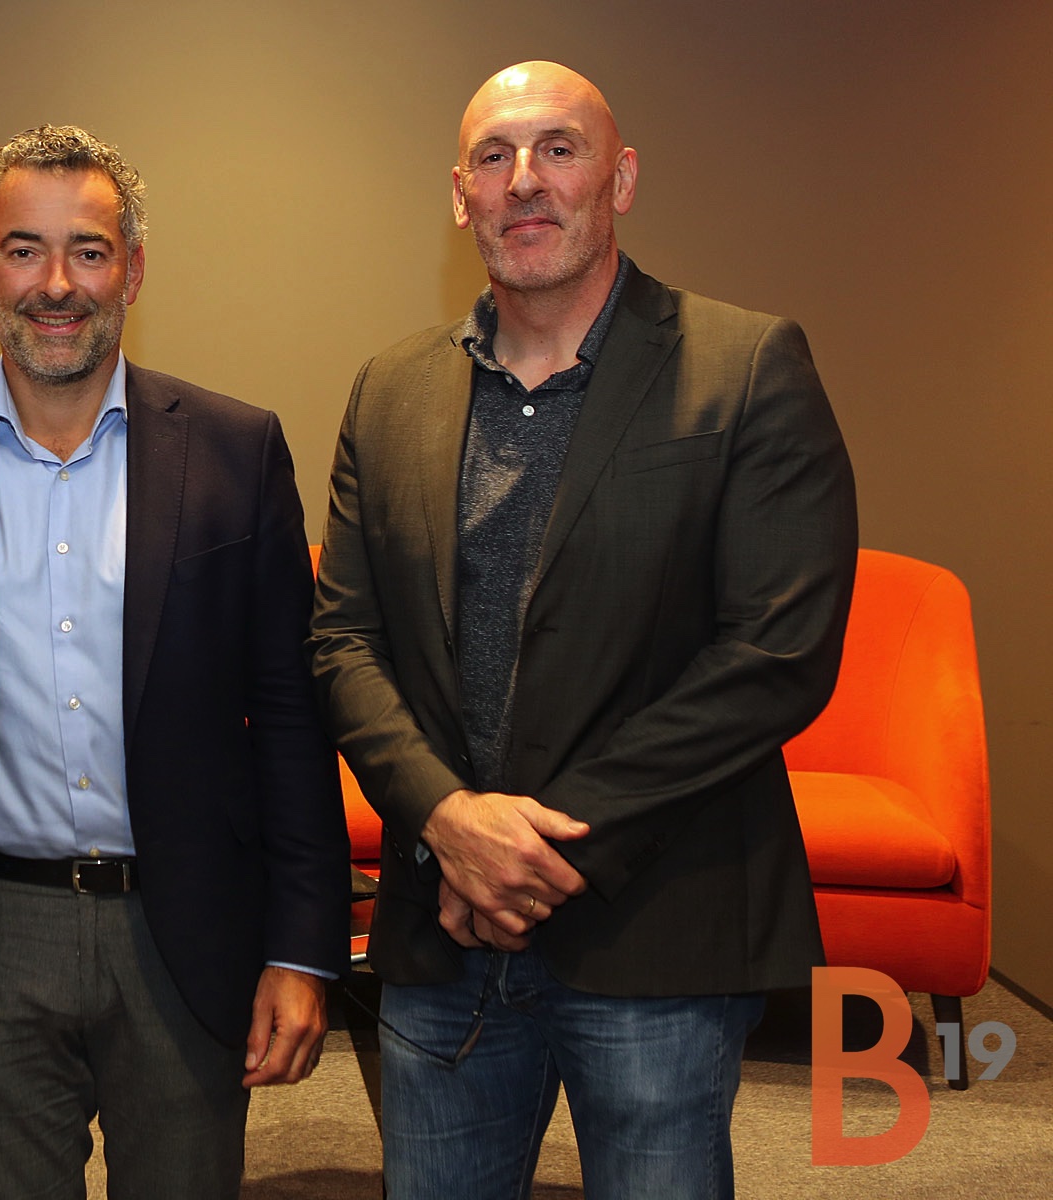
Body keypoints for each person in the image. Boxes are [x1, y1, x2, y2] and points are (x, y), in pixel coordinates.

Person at [309, 62, 858, 1199]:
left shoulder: (745, 366)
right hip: (441, 924)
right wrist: (448, 820)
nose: (526, 180)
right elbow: (344, 641)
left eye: (559, 149)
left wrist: (538, 850)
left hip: (658, 923)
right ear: (460, 194)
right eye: (494, 157)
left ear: (622, 178)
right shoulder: (388, 390)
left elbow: (775, 653)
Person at [0, 124, 348, 1198]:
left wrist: (302, 949)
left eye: (89, 251)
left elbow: (291, 716)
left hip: (184, 932)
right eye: (24, 249)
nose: (56, 284)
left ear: (132, 270)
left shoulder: (236, 451)